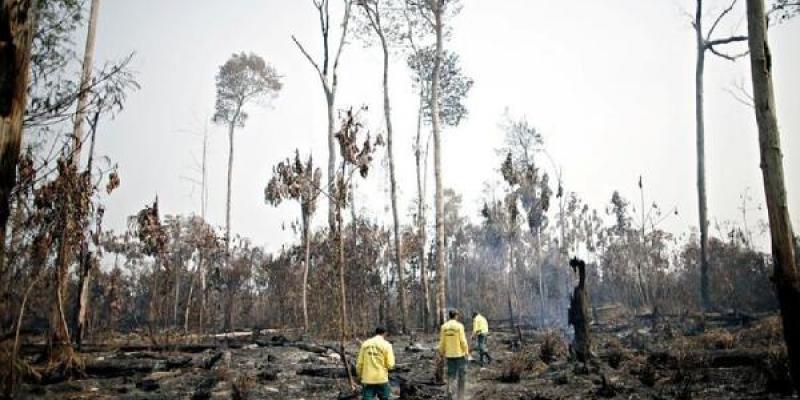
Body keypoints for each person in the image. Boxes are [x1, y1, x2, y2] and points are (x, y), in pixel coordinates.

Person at [356, 326, 395, 400]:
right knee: (384, 397)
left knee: (367, 398)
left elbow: (359, 363)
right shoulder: (387, 345)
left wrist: (360, 375)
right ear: (385, 333)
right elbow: (390, 365)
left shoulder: (365, 344)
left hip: (367, 378)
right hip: (381, 378)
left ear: (375, 333)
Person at [438, 309, 469, 400]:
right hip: (459, 355)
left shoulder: (444, 327)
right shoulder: (459, 326)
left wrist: (441, 353)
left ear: (449, 316)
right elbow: (463, 341)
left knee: (450, 375)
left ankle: (449, 391)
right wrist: (466, 351)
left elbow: (442, 342)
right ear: (456, 316)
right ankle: (460, 396)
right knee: (462, 375)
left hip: (449, 355)